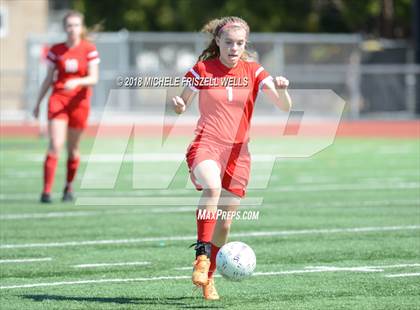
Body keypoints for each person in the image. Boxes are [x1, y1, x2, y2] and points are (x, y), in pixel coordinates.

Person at [172, 16, 292, 300]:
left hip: (239, 152)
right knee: (212, 188)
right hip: (207, 144)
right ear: (218, 42)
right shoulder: (202, 69)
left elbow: (284, 106)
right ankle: (201, 257)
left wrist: (284, 92)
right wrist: (177, 105)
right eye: (228, 42)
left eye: (240, 43)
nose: (234, 48)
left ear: (245, 44)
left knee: (225, 224)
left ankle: (208, 277)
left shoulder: (254, 71)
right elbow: (182, 103)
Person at [33, 10, 100, 203]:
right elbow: (48, 79)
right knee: (55, 144)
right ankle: (46, 192)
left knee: (73, 150)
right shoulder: (56, 50)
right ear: (64, 28)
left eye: (76, 25)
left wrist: (78, 82)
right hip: (58, 100)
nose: (73, 29)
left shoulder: (89, 49)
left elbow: (94, 78)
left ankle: (68, 188)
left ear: (81, 28)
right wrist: (38, 103)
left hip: (79, 103)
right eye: (69, 25)